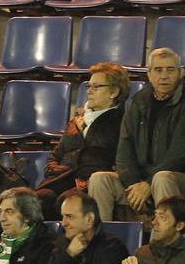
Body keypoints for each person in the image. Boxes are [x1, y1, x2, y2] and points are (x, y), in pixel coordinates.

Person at [89, 49, 185, 222]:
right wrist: (134, 185)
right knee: (100, 179)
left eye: (170, 70)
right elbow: (125, 147)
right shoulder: (139, 101)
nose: (164, 75)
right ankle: (103, 242)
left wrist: (148, 183)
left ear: (181, 73)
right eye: (158, 70)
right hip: (141, 180)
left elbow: (181, 154)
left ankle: (167, 242)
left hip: (182, 178)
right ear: (149, 74)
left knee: (161, 178)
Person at [36, 64, 129, 218]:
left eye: (97, 86)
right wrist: (55, 169)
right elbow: (56, 154)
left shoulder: (123, 122)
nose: (89, 91)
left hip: (89, 183)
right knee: (39, 199)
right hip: (63, 178)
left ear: (114, 91)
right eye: (89, 86)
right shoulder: (77, 120)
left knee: (65, 201)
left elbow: (121, 160)